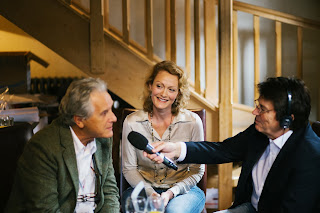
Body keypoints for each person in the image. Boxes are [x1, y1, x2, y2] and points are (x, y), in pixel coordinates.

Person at [145, 77, 320, 213]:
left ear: (287, 120)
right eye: (257, 105)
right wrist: (176, 149)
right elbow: (223, 150)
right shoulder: (260, 131)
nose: (254, 112)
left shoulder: (310, 156)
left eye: (262, 109)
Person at [5, 78, 120, 212]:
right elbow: (46, 210)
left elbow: (109, 192)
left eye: (111, 109)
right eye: (104, 113)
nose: (114, 118)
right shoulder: (43, 148)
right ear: (80, 120)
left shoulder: (102, 139)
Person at [122, 60, 206, 213]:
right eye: (159, 86)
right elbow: (129, 169)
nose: (163, 94)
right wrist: (150, 193)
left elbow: (197, 170)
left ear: (179, 92)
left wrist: (170, 193)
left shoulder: (193, 122)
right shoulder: (132, 122)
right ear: (150, 86)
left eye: (171, 89)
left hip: (184, 191)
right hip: (142, 188)